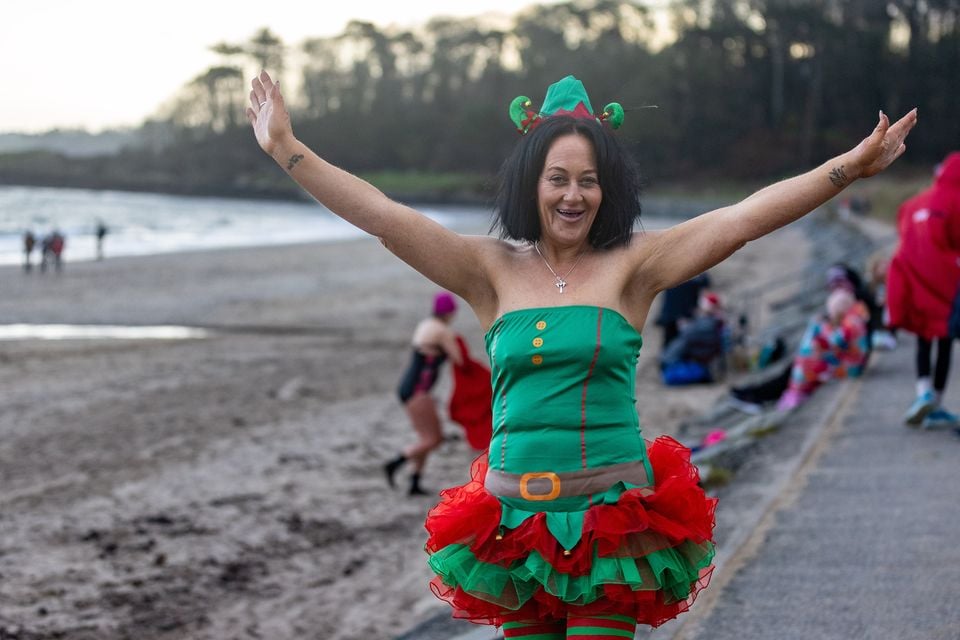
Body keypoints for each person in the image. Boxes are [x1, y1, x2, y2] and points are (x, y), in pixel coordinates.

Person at [247, 70, 915, 635]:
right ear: (531, 182)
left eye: (588, 180)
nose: (573, 195)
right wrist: (288, 150)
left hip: (609, 524)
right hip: (512, 529)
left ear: (608, 186)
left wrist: (848, 169)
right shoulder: (488, 270)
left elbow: (741, 218)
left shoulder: (636, 263)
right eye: (557, 178)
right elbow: (385, 217)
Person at [887, 152, 960, 429]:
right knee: (944, 341)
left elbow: (902, 238)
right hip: (946, 285)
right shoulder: (956, 200)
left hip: (914, 281)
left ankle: (923, 393)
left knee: (922, 338)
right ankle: (936, 404)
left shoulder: (913, 203)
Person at [384, 291, 464, 496]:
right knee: (434, 439)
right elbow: (459, 360)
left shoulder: (426, 325)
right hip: (419, 391)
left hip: (408, 388)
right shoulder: (442, 330)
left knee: (425, 438)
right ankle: (395, 462)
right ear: (449, 312)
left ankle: (414, 483)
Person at [775, 286, 871, 411]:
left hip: (851, 367)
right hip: (853, 362)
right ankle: (799, 392)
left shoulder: (851, 322)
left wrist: (820, 330)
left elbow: (836, 342)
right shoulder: (854, 316)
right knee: (809, 357)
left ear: (838, 309)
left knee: (805, 362)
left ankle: (797, 394)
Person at [659, 291, 729, 385]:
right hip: (697, 360)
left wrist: (685, 327)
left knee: (670, 375)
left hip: (692, 363)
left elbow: (690, 335)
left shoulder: (708, 323)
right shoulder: (715, 322)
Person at [654, 272, 711, 350]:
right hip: (672, 315)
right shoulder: (673, 268)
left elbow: (705, 290)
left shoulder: (698, 272)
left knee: (685, 346)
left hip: (687, 316)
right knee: (670, 346)